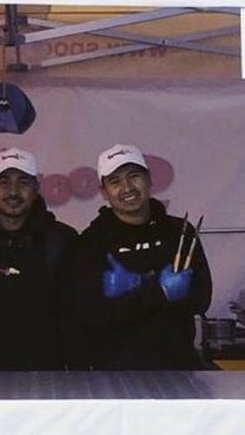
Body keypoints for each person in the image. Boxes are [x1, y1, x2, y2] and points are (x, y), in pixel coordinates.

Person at [65, 143, 212, 370]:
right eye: (115, 181)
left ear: (149, 180)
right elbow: (90, 313)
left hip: (178, 367)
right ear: (103, 192)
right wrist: (159, 292)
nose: (127, 187)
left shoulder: (179, 232)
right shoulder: (90, 242)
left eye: (134, 176)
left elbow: (201, 298)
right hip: (115, 374)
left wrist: (134, 289)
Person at [0, 147, 77, 370]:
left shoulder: (62, 239)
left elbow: (73, 313)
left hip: (47, 374)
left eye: (23, 182)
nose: (13, 191)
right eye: (4, 182)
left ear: (36, 189)